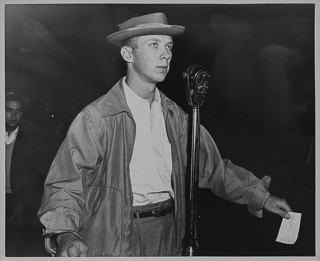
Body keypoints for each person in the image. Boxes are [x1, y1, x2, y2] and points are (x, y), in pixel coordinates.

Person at [37, 12, 292, 257]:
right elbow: (66, 182)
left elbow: (213, 168)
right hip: (116, 235)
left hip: (169, 232)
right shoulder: (97, 119)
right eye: (154, 45)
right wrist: (66, 233)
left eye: (169, 47)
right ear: (128, 53)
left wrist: (262, 196)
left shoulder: (176, 117)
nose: (165, 55)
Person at [5, 92, 47, 256]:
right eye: (8, 110)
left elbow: (37, 178)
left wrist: (23, 204)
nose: (13, 115)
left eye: (18, 111)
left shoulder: (31, 141)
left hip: (17, 203)